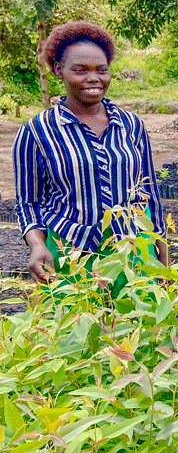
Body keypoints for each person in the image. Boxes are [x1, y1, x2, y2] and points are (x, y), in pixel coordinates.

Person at [13, 21, 167, 286]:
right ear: (59, 70)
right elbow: (29, 203)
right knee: (78, 324)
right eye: (81, 70)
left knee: (144, 323)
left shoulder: (131, 125)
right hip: (70, 256)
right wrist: (37, 246)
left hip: (134, 254)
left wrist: (163, 264)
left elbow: (149, 195)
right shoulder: (37, 132)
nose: (94, 78)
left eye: (101, 70)